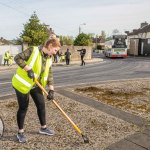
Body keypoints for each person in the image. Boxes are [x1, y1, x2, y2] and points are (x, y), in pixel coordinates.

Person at [12, 38, 61, 143]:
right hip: (22, 84)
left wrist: (51, 90)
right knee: (23, 108)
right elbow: (17, 58)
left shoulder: (49, 58)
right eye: (56, 50)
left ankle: (43, 128)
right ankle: (20, 133)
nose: (56, 52)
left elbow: (50, 74)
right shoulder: (33, 51)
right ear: (50, 46)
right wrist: (27, 68)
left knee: (41, 105)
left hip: (36, 85)